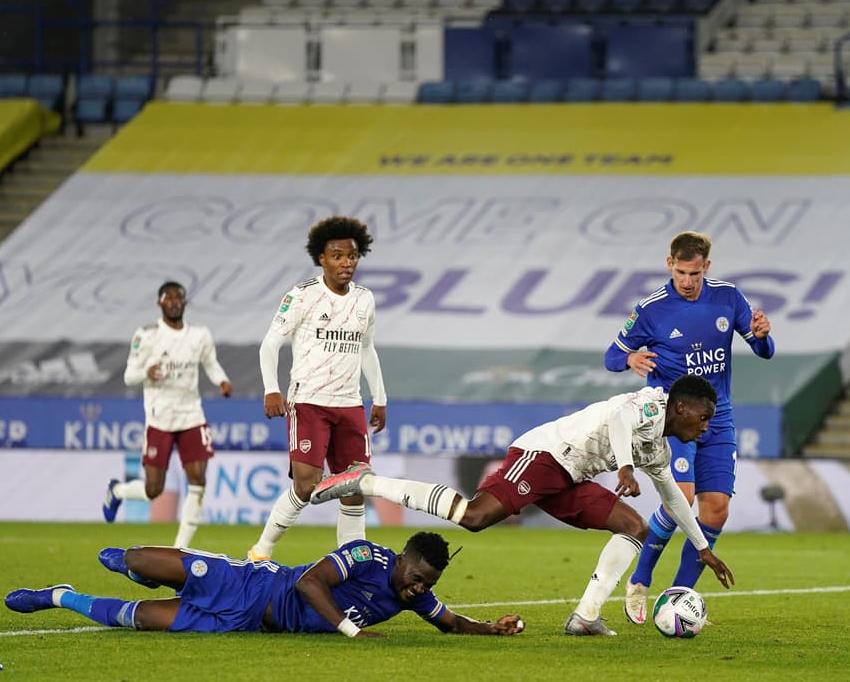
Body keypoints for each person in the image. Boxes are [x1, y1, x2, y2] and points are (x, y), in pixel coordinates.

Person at [308, 374, 735, 636]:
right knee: (474, 518)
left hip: (571, 477)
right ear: (681, 408)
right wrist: (624, 466)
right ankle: (369, 481)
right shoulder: (649, 402)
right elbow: (620, 419)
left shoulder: (659, 448)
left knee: (634, 526)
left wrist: (702, 547)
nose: (705, 428)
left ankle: (585, 616)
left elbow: (674, 499)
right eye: (703, 419)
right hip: (545, 455)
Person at [603, 231, 773, 625]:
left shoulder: (728, 297)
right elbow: (611, 355)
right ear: (669, 265)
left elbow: (763, 349)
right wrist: (629, 359)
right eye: (680, 272)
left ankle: (678, 597)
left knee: (717, 508)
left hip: (718, 415)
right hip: (672, 420)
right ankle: (640, 579)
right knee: (681, 495)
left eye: (694, 274)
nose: (687, 280)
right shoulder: (651, 309)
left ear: (706, 268)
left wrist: (763, 337)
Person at [5, 532, 524, 638]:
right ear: (403, 559)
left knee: (135, 618)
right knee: (132, 559)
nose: (417, 591)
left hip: (242, 622)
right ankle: (133, 565)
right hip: (249, 584)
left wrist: (490, 629)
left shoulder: (416, 594)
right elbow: (310, 586)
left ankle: (59, 596)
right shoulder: (365, 556)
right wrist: (350, 630)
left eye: (426, 585)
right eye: (416, 579)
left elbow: (450, 622)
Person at [249, 216, 387, 561]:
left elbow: (366, 349)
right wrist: (271, 389)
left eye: (352, 256)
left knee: (354, 488)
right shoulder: (302, 296)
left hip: (350, 405)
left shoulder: (365, 300)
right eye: (337, 256)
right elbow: (270, 344)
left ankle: (351, 564)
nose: (346, 263)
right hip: (309, 402)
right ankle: (262, 550)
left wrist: (379, 398)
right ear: (321, 258)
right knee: (307, 485)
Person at [103, 281, 233, 549]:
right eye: (168, 297)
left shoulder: (199, 334)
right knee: (154, 490)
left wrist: (222, 380)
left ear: (184, 302)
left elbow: (210, 363)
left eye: (179, 297)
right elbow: (129, 376)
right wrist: (146, 373)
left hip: (191, 416)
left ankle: (179, 549)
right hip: (160, 419)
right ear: (159, 303)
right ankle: (118, 491)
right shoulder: (147, 335)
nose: (174, 301)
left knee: (198, 479)